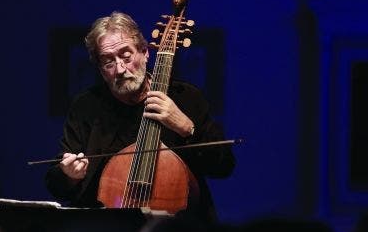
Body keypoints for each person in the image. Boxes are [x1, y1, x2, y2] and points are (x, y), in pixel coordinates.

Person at [45, 11, 235, 221]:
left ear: (145, 52)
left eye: (126, 56)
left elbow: (224, 165)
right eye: (108, 62)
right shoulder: (86, 107)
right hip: (108, 231)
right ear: (100, 70)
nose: (120, 69)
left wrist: (186, 127)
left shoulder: (185, 97)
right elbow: (57, 182)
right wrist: (69, 176)